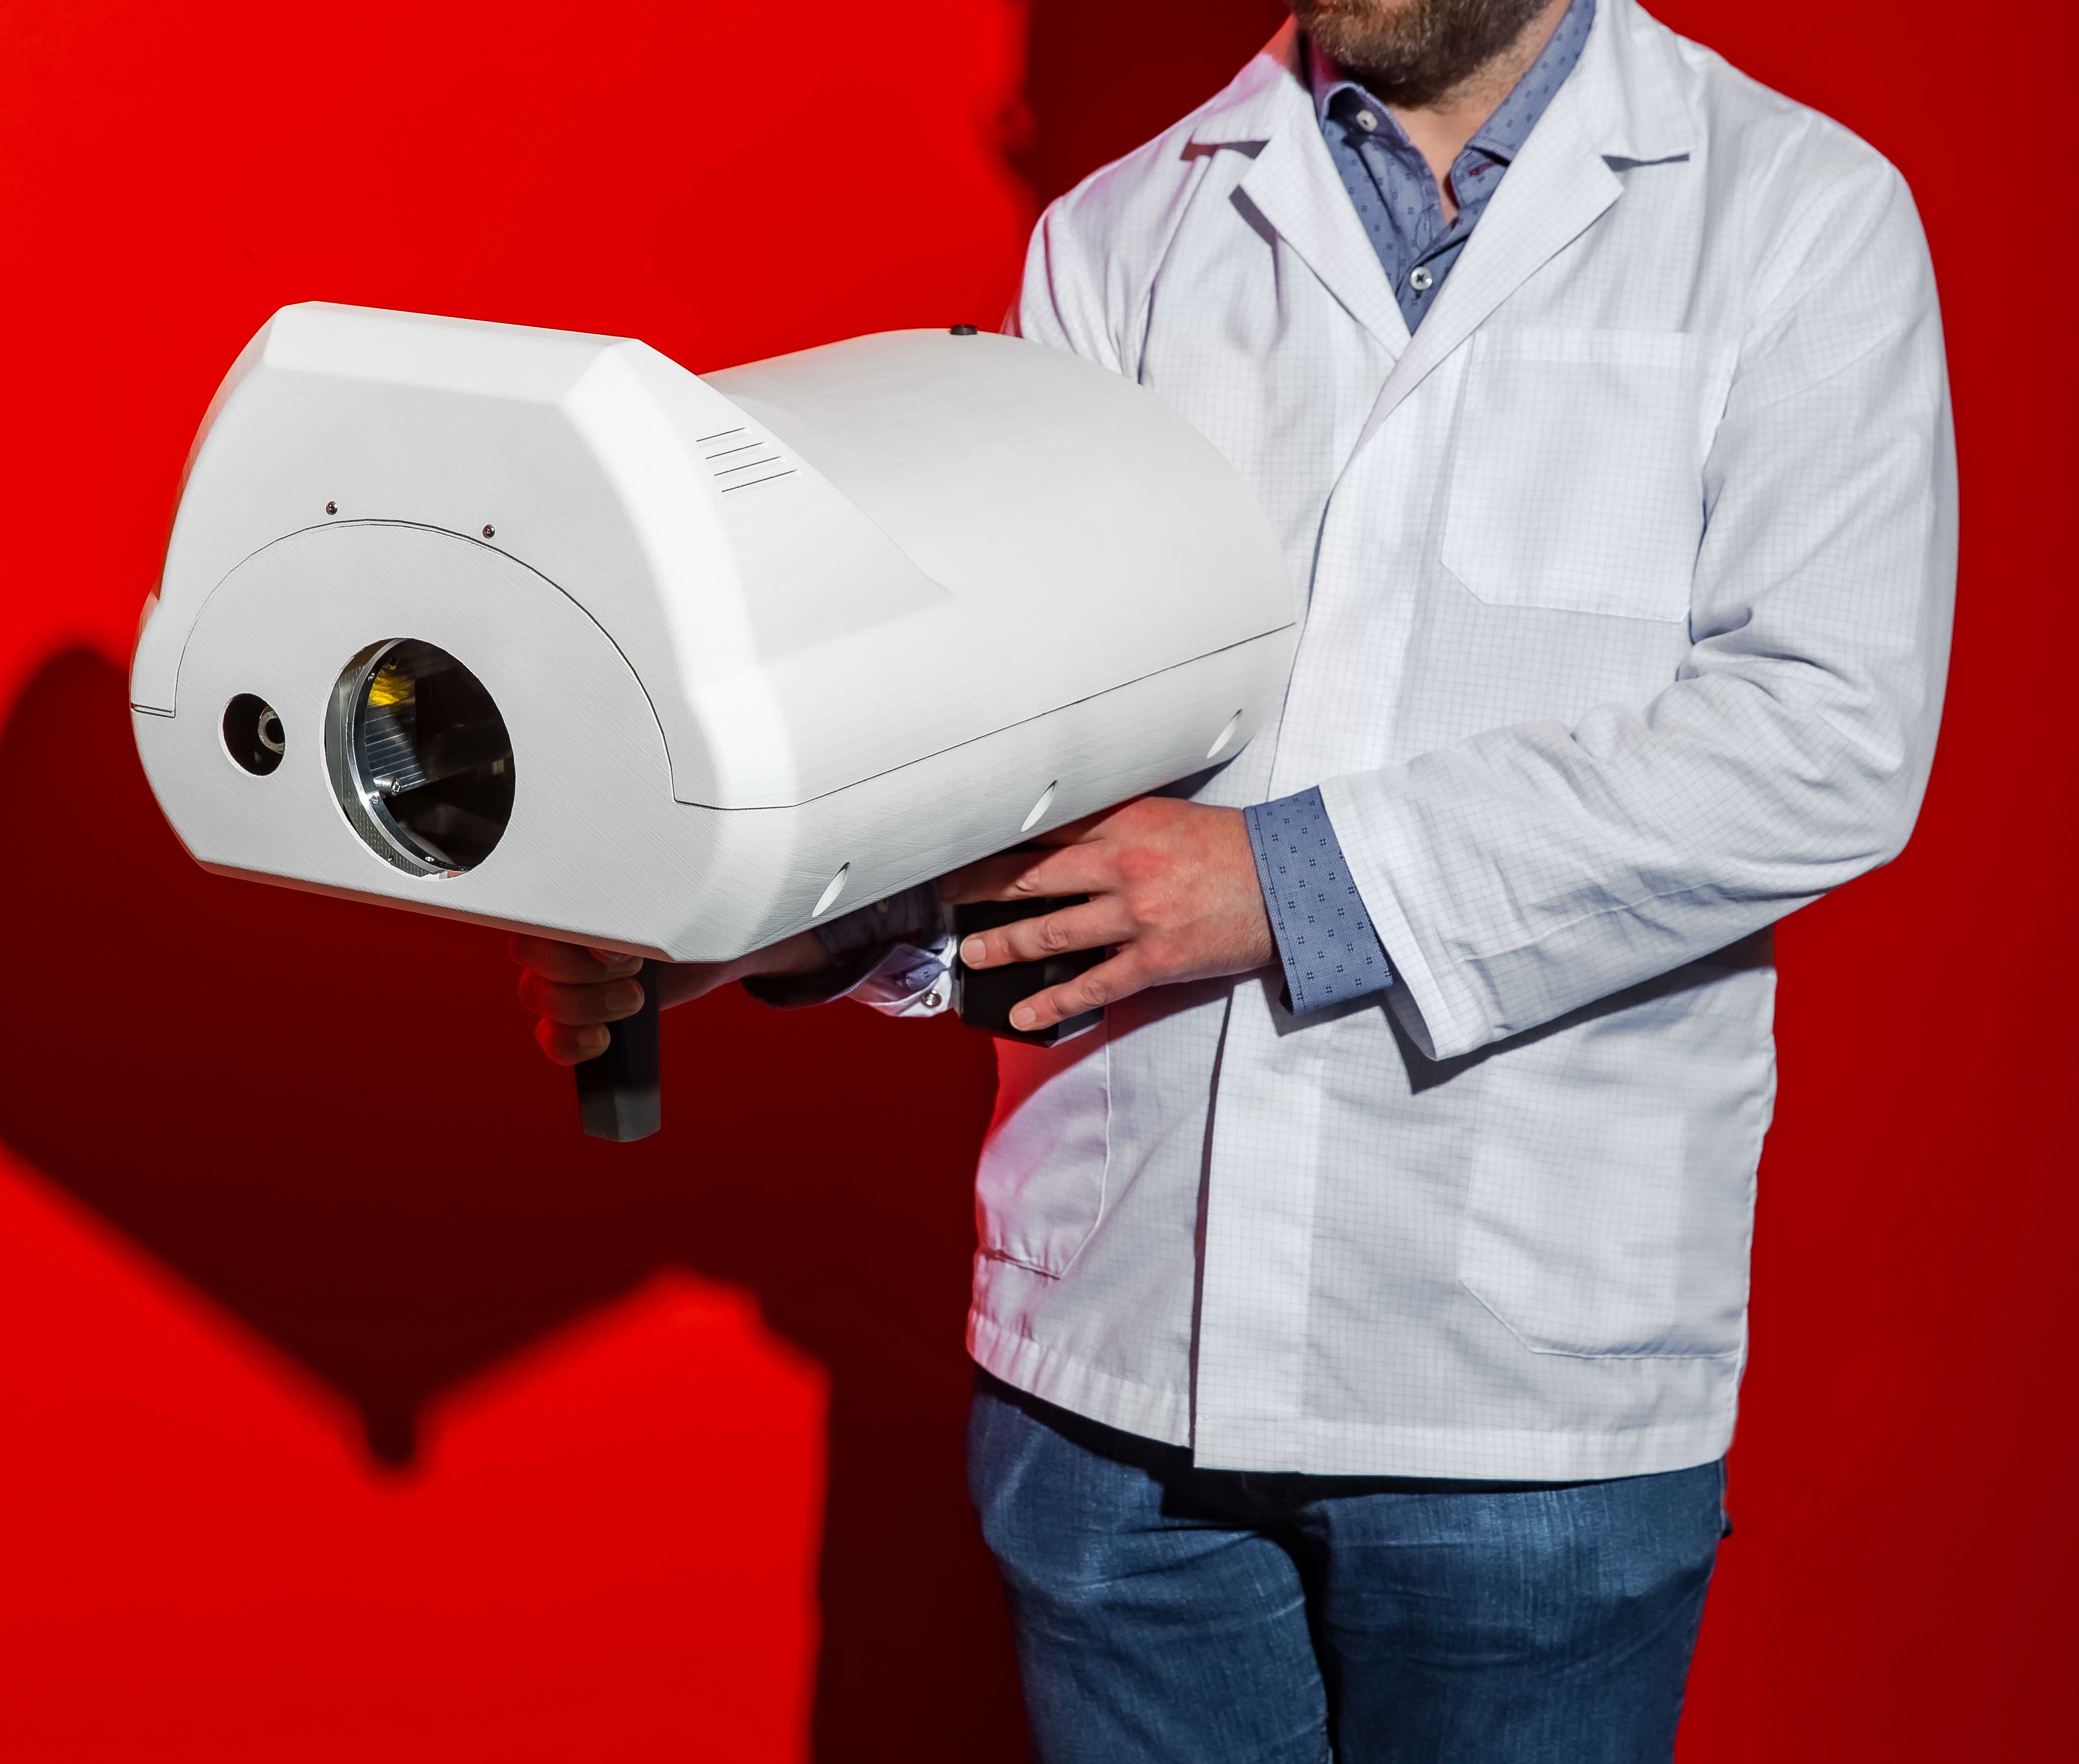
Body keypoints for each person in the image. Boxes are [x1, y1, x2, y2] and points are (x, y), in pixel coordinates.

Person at [515, 0, 1954, 1755]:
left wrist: (1285, 882)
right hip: (1114, 1382)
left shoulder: (1798, 213)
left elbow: (1820, 743)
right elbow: (1008, 756)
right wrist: (760, 907)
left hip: (1520, 1391)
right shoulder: (1120, 239)